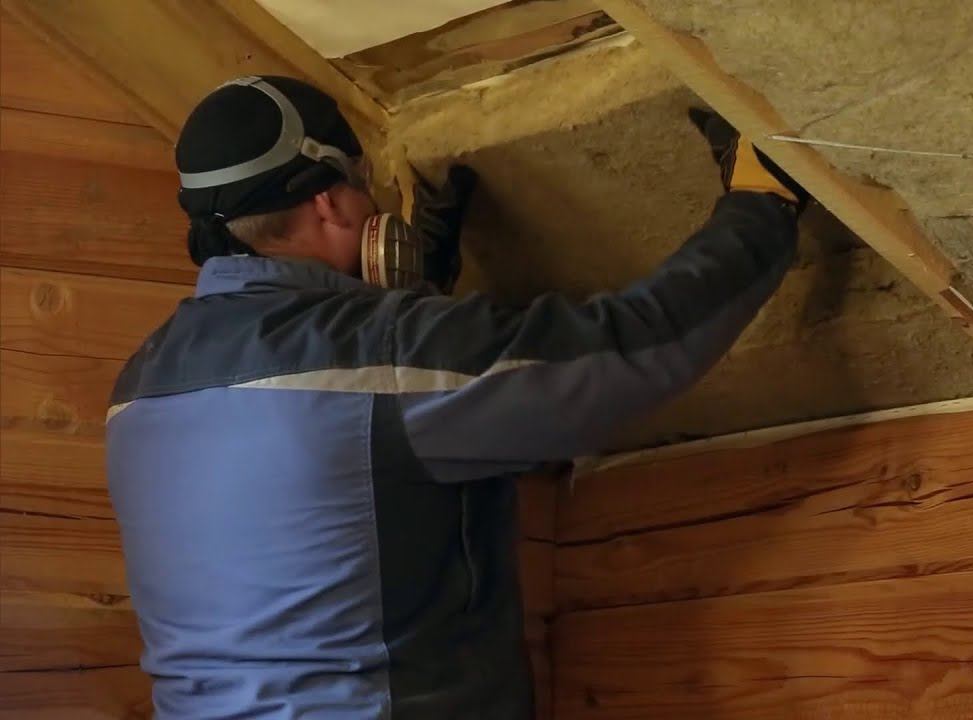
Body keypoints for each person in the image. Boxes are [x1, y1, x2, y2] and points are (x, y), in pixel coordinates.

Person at [106, 75, 807, 719]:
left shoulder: (140, 385)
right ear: (328, 202)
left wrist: (416, 303)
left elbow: (350, 466)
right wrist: (759, 206)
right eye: (364, 186)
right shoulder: (375, 356)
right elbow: (619, 357)